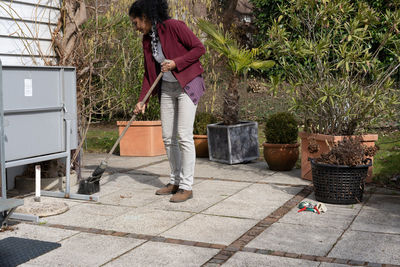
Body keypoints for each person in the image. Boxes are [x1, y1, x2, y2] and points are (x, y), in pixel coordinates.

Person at [129, 0, 206, 202]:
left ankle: (187, 187)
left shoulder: (174, 26)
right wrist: (142, 100)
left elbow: (199, 49)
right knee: (168, 138)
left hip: (187, 85)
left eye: (135, 22)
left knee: (183, 135)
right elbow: (149, 73)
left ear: (145, 16)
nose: (135, 27)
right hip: (167, 88)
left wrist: (176, 63)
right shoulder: (147, 39)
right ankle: (175, 181)